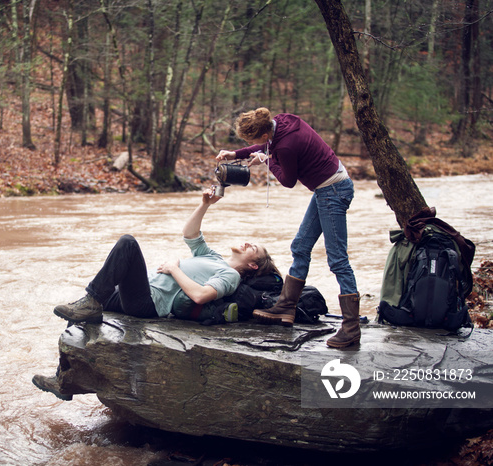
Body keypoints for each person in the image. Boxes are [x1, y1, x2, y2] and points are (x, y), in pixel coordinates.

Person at [33, 188, 276, 400]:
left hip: (148, 302)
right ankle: (63, 382)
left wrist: (174, 269)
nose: (246, 243)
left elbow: (201, 296)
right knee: (80, 308)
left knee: (127, 243)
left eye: (252, 248)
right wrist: (204, 204)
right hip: (141, 292)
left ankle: (92, 303)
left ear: (253, 265)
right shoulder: (214, 258)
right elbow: (190, 234)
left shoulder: (230, 276)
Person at [216, 107, 360, 348]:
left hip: (333, 191)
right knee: (300, 246)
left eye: (252, 141)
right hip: (326, 188)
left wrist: (267, 161)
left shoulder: (285, 146)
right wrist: (235, 154)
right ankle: (285, 306)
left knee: (337, 260)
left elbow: (288, 181)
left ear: (263, 136)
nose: (252, 144)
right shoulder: (281, 122)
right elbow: (268, 146)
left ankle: (351, 327)